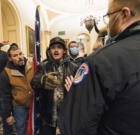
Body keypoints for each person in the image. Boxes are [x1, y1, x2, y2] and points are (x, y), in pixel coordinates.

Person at [60, 0, 140, 135]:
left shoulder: (100, 60)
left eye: (109, 16)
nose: (108, 22)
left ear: (125, 14)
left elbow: (77, 127)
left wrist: (77, 95)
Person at [31, 37, 78, 135]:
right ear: (49, 51)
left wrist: (74, 89)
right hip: (48, 115)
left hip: (66, 115)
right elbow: (34, 83)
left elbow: (81, 90)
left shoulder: (73, 67)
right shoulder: (43, 66)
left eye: (59, 47)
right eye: (53, 47)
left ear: (64, 51)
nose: (56, 50)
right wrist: (42, 80)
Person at [0, 43, 34, 135]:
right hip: (19, 106)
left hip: (34, 104)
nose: (19, 57)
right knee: (21, 129)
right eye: (15, 55)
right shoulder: (6, 73)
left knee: (35, 127)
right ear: (10, 58)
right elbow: (5, 96)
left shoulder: (31, 65)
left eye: (20, 54)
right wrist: (7, 115)